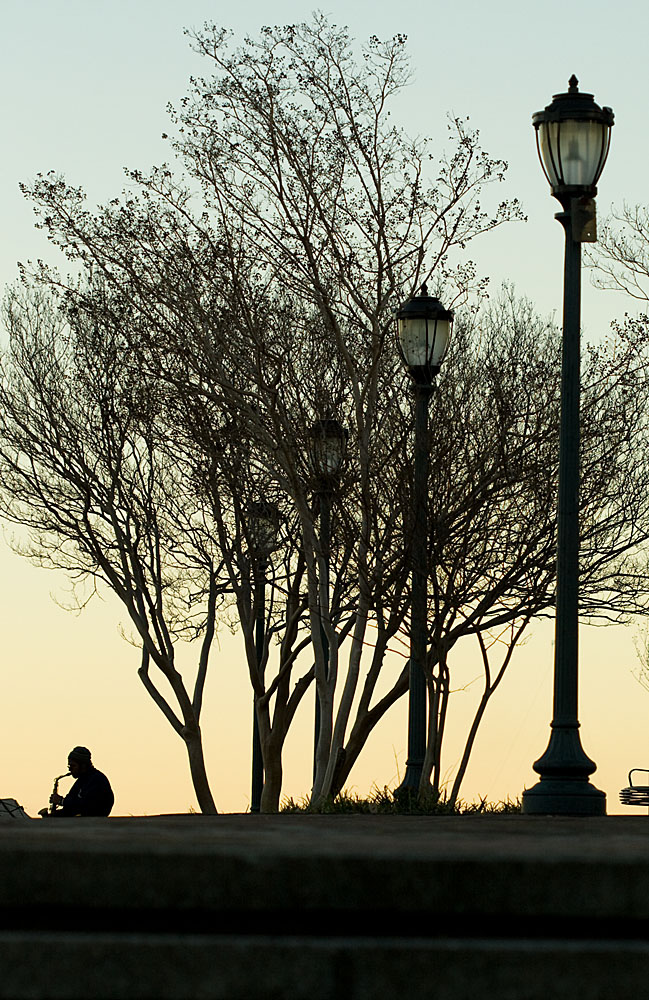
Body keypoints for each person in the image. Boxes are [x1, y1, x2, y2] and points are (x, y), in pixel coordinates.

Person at [45, 747, 114, 817]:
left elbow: (85, 805)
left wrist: (61, 801)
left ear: (83, 765)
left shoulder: (97, 780)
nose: (70, 770)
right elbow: (70, 807)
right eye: (69, 766)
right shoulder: (82, 781)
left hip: (91, 824)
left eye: (73, 766)